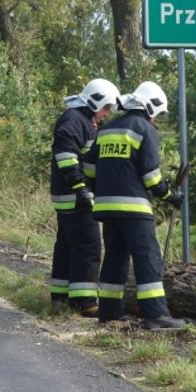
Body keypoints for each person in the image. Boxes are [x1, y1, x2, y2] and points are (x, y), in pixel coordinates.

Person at [84, 81, 186, 330]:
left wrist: (102, 191)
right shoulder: (145, 130)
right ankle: (156, 316)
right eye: (158, 115)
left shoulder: (107, 129)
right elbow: (151, 176)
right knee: (147, 258)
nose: (157, 120)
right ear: (150, 107)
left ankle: (109, 312)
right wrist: (170, 196)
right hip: (135, 209)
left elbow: (88, 168)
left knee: (115, 258)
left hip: (107, 208)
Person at [48, 78, 119, 316]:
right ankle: (85, 302)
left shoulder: (82, 120)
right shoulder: (74, 120)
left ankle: (61, 296)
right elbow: (67, 157)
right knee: (88, 246)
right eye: (106, 107)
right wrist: (80, 188)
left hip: (70, 195)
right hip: (74, 196)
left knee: (67, 246)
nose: (107, 113)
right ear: (95, 101)